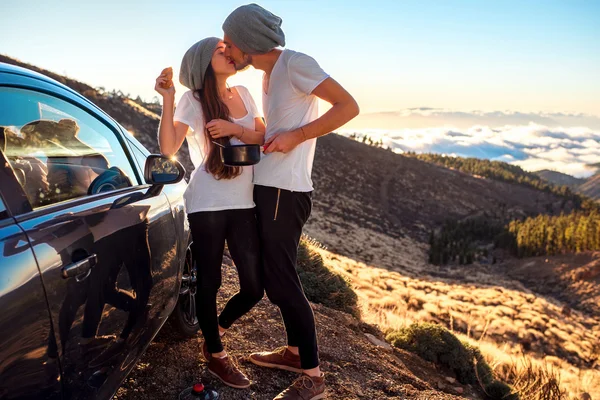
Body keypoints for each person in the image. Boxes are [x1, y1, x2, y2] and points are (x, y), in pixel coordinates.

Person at [222, 4, 360, 399]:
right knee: (274, 279)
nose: (227, 50)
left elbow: (348, 106)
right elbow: (275, 133)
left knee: (282, 280)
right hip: (269, 187)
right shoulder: (268, 75)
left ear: (250, 42)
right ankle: (296, 353)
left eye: (231, 43)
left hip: (286, 191)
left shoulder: (296, 63)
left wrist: (298, 137)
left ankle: (314, 379)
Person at [154, 37, 266, 389]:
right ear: (204, 60)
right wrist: (169, 99)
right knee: (210, 281)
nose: (229, 54)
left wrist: (234, 129)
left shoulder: (244, 93)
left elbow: (261, 134)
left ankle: (212, 330)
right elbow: (170, 148)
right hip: (207, 201)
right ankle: (217, 356)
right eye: (221, 50)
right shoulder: (193, 99)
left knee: (253, 286)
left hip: (244, 200)